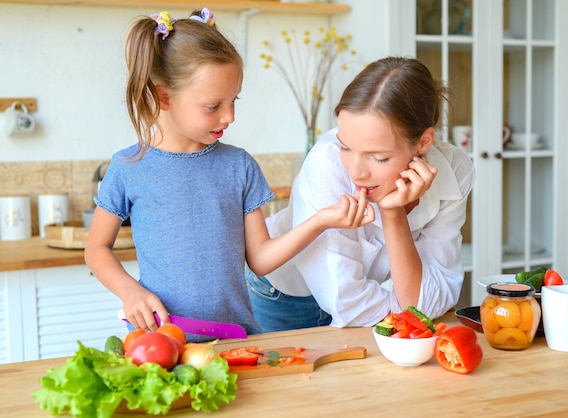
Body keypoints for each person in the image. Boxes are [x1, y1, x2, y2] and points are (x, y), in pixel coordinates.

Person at [84, 8, 373, 342]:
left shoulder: (239, 166)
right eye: (213, 106)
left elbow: (261, 260)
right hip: (158, 343)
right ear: (164, 96)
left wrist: (322, 220)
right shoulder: (128, 167)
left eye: (234, 100)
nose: (230, 116)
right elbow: (97, 249)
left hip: (234, 341)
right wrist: (129, 292)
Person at [247, 56, 476, 331]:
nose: (356, 172)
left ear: (424, 142)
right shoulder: (326, 165)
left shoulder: (455, 171)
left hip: (372, 301)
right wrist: (408, 308)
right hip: (285, 298)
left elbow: (430, 297)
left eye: (377, 157)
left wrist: (393, 214)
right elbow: (349, 303)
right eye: (345, 146)